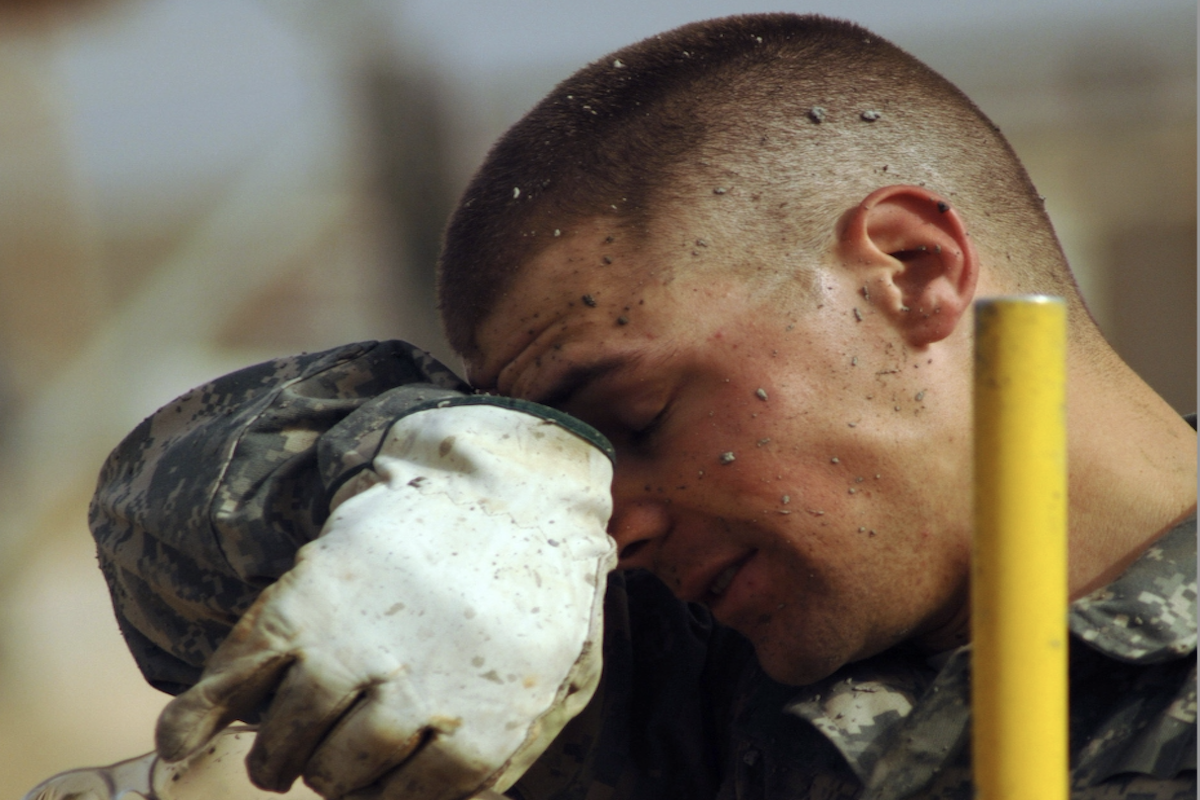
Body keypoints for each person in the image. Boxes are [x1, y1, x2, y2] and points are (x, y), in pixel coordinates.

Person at [74, 13, 1195, 800]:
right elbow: (157, 532)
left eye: (637, 413)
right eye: (572, 456)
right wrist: (438, 470)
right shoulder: (696, 666)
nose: (614, 524)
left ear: (912, 269)